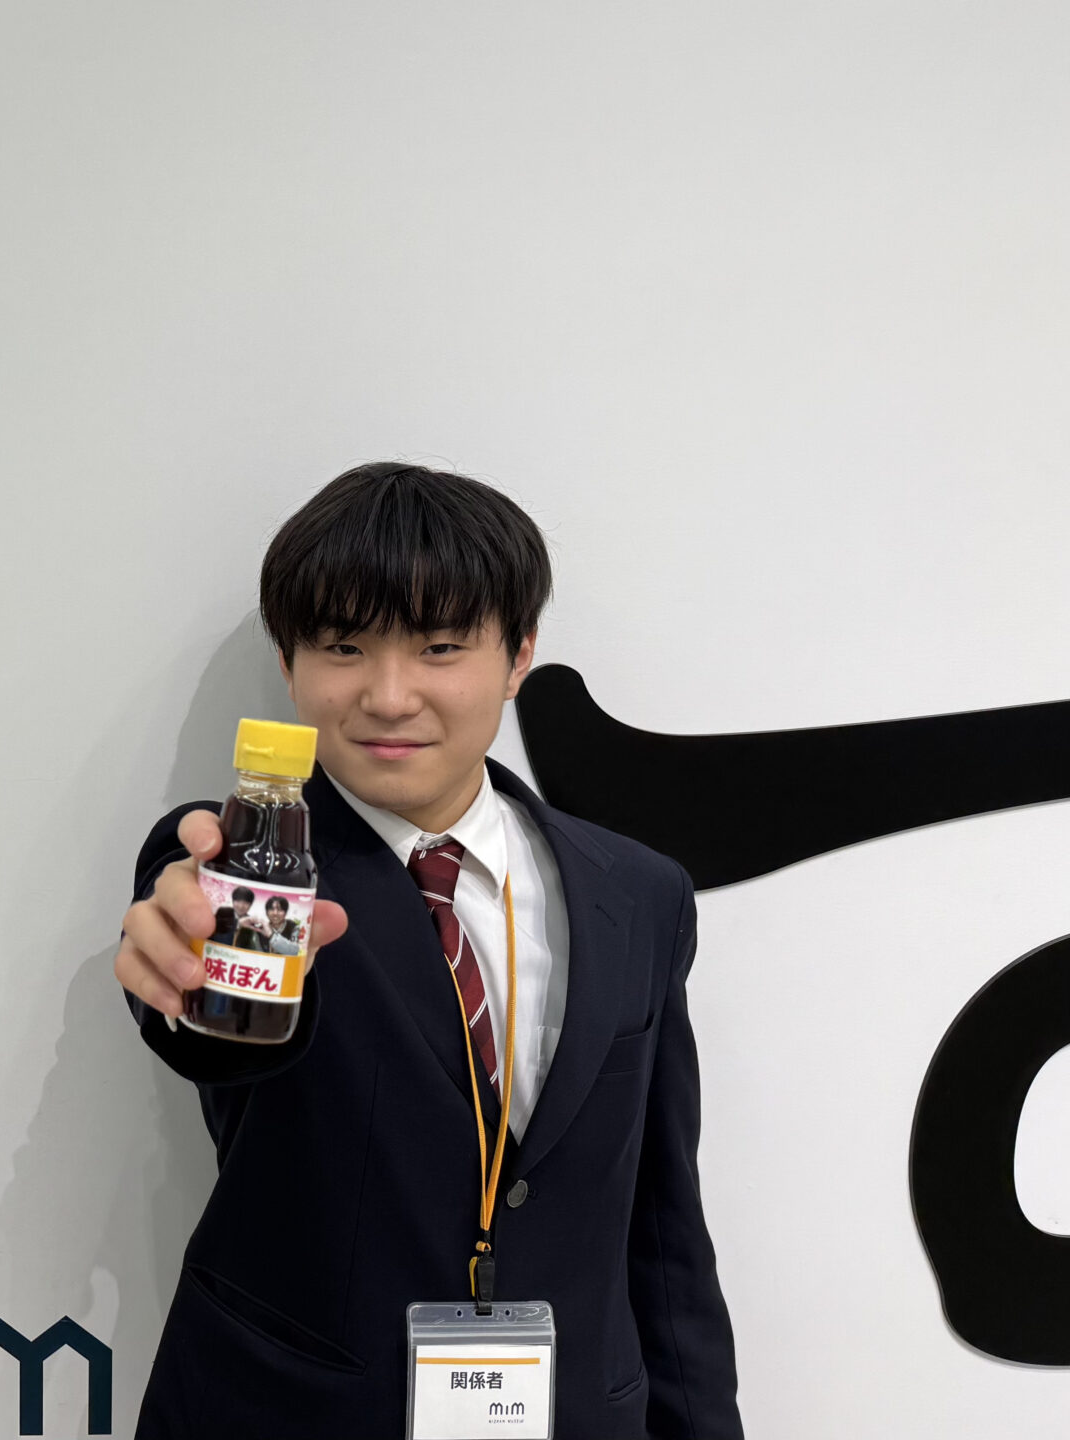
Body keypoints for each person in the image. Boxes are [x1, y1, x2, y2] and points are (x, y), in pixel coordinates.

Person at [114, 463, 739, 1438]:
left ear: (519, 655)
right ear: (290, 663)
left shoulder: (638, 894)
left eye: (440, 647)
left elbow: (663, 1226)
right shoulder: (242, 864)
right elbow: (221, 1028)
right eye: (343, 647)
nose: (389, 695)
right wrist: (195, 973)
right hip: (293, 1415)